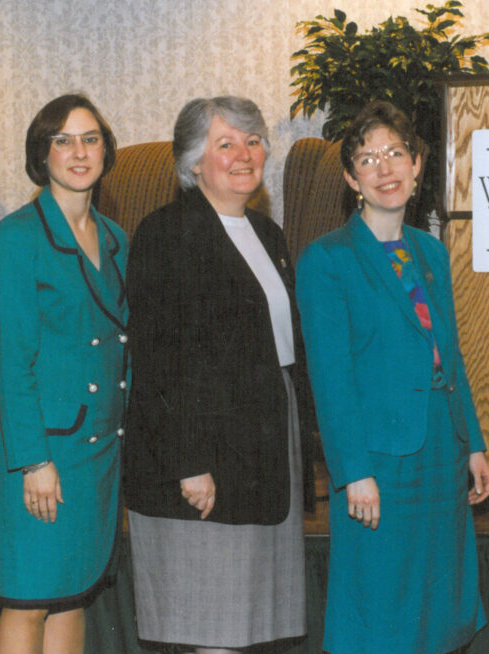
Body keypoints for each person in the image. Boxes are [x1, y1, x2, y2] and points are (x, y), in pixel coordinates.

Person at [296, 100, 489, 654]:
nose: (385, 169)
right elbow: (329, 379)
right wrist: (352, 471)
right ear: (350, 177)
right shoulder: (327, 260)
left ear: (418, 165)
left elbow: (448, 358)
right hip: (377, 461)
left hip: (440, 453)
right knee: (381, 610)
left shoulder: (430, 251)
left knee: (438, 609)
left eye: (396, 154)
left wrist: (473, 443)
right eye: (367, 158)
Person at [123, 96, 316, 654]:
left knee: (249, 628)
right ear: (192, 163)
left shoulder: (267, 233)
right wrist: (190, 462)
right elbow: (160, 359)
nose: (244, 155)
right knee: (212, 631)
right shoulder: (166, 233)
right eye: (225, 144)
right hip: (201, 459)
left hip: (262, 455)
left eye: (253, 142)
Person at [0, 93, 126, 654]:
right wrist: (34, 461)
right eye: (62, 140)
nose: (78, 152)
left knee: (73, 593)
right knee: (29, 597)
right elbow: (11, 362)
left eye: (90, 138)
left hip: (97, 449)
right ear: (41, 155)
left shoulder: (116, 238)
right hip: (44, 451)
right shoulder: (19, 236)